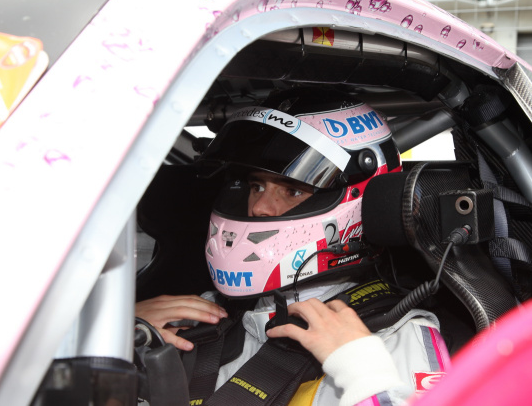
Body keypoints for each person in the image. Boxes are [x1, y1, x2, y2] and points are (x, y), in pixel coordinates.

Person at [136, 87, 449, 406]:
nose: (259, 207)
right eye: (256, 186)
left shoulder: (395, 337)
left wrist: (360, 371)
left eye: (293, 190)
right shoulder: (203, 316)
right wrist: (120, 341)